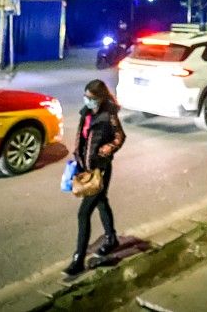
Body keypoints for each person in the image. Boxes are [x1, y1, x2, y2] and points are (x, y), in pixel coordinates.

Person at [64, 79, 126, 276]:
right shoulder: (86, 113)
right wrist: (77, 157)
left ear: (100, 98)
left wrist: (107, 149)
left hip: (101, 170)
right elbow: (82, 138)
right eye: (85, 96)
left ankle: (78, 259)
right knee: (101, 202)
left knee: (83, 213)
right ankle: (111, 238)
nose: (87, 100)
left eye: (91, 98)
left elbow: (120, 137)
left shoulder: (109, 115)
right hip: (86, 168)